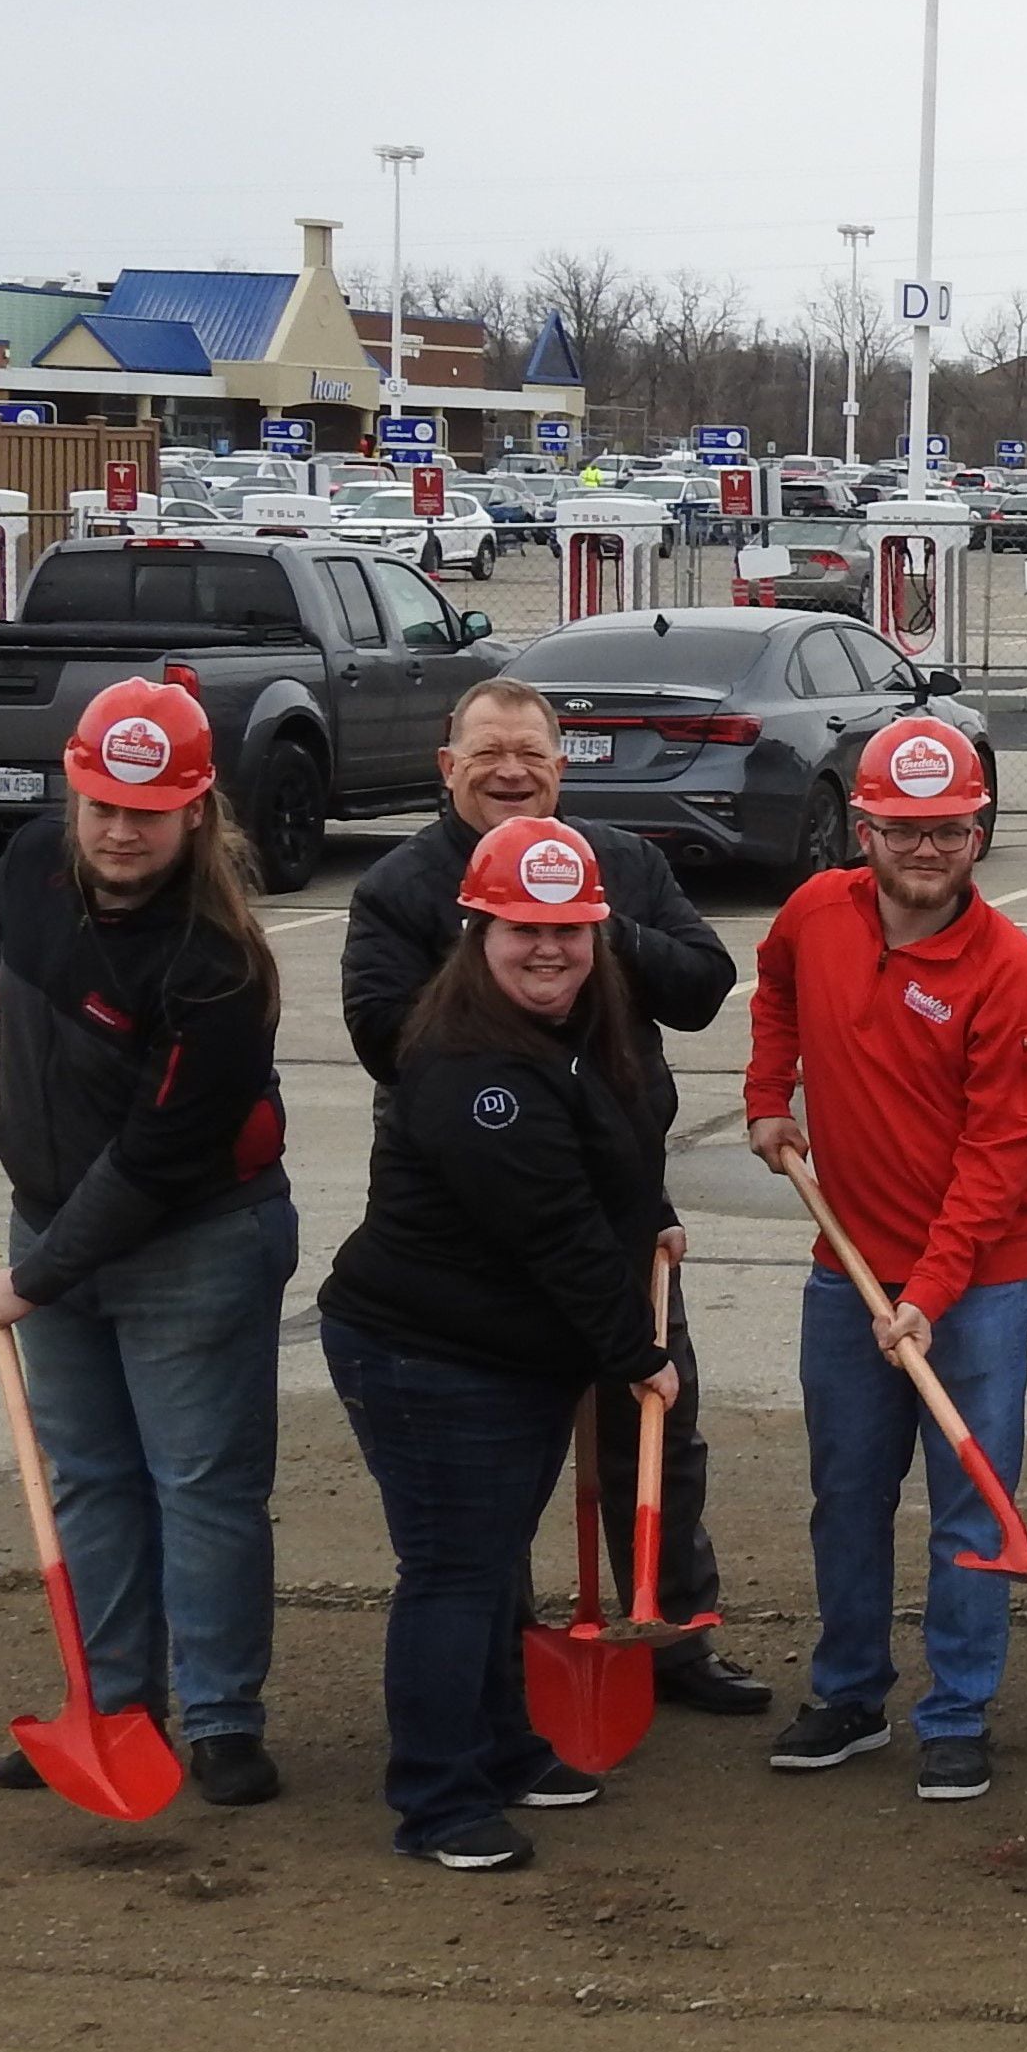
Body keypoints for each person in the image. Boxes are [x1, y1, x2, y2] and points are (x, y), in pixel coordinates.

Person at [339, 676, 758, 1716]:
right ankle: (512, 1638)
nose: (511, 770)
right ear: (449, 766)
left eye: (531, 752)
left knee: (655, 1418)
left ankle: (670, 1630)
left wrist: (584, 919)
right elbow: (383, 1035)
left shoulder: (623, 863)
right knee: (508, 1433)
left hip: (620, 1196)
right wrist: (509, 942)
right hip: (479, 1207)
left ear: (563, 765)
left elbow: (704, 985)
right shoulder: (398, 886)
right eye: (487, 753)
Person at [0, 678, 294, 1810]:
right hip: (49, 1214)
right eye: (101, 804)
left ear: (195, 810)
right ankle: (114, 1696)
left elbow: (152, 1162)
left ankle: (223, 1717)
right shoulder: (36, 856)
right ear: (74, 792)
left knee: (201, 1481)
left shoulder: (217, 964)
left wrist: (30, 1279)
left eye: (148, 809)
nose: (120, 830)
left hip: (195, 1241)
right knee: (89, 1476)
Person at [318, 821, 681, 1872]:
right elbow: (552, 1230)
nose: (551, 949)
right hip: (427, 1353)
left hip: (510, 1356)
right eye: (526, 928)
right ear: (478, 927)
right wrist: (635, 1351)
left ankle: (507, 1746)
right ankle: (435, 1796)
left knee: (485, 1565)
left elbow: (615, 1134)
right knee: (452, 1569)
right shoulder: (471, 1065)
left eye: (571, 928)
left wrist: (648, 1205)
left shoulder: (579, 1021)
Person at [744, 715, 1027, 1805]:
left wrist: (926, 1296)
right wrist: (764, 1093)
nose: (927, 851)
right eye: (905, 829)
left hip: (978, 1280)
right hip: (848, 1264)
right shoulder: (813, 912)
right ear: (864, 827)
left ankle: (959, 1708)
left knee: (971, 1497)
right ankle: (847, 1690)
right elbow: (774, 984)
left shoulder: (1015, 976)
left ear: (980, 831)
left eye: (951, 831)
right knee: (846, 1491)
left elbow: (1000, 1157)